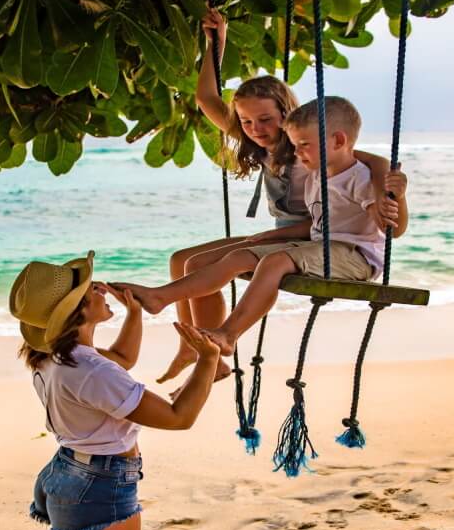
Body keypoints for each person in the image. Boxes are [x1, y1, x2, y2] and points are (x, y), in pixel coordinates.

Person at [157, 7, 394, 384]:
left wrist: (386, 185)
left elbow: (373, 160)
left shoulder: (307, 150)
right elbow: (206, 98)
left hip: (305, 236)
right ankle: (194, 348)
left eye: (266, 119)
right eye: (247, 121)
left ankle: (213, 351)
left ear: (286, 113)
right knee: (182, 260)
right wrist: (215, 44)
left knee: (198, 265)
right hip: (287, 234)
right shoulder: (265, 144)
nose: (255, 129)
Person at [9, 250, 219, 530]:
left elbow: (121, 358)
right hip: (100, 485)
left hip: (67, 474)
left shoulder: (55, 354)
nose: (102, 290)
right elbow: (178, 417)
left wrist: (135, 313)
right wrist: (208, 360)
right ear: (77, 311)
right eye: (91, 291)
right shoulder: (89, 370)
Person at [116, 97, 409, 357]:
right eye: (295, 146)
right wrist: (272, 235)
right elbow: (319, 223)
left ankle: (228, 334)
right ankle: (161, 297)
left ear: (339, 141)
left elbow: (393, 229)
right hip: (318, 247)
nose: (298, 153)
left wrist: (398, 196)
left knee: (273, 262)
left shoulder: (359, 178)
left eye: (304, 145)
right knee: (239, 256)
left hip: (355, 256)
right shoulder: (316, 175)